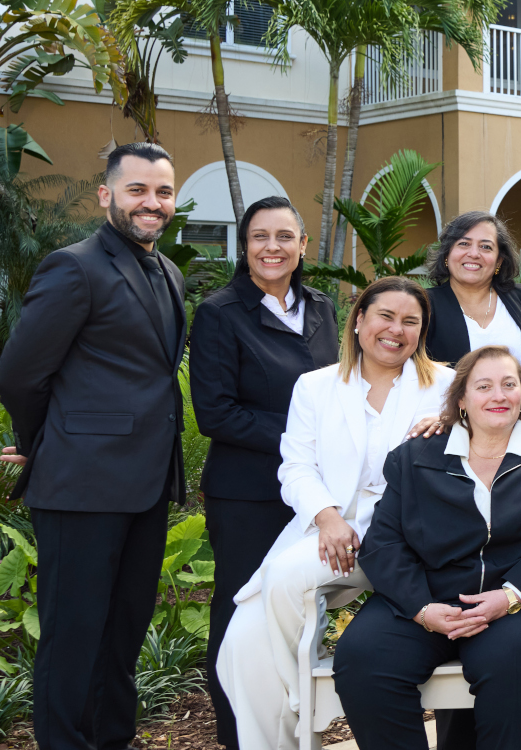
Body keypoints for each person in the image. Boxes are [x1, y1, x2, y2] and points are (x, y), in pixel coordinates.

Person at [0, 143, 188, 750]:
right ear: (107, 195)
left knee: (122, 636)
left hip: (147, 485)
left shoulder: (169, 272)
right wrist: (42, 442)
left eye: (162, 192)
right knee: (73, 638)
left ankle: (111, 741)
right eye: (137, 190)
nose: (152, 203)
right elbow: (18, 375)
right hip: (79, 486)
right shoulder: (73, 267)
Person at [215, 277, 455, 750]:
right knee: (240, 645)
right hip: (329, 531)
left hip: (403, 542)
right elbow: (296, 466)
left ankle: (300, 699)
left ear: (422, 332)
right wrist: (326, 517)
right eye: (385, 316)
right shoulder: (315, 386)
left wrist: (454, 423)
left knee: (285, 576)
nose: (396, 329)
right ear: (359, 320)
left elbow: (497, 429)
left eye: (410, 321)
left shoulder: (448, 387)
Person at [334, 345, 521, 749]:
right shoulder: (415, 456)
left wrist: (511, 596)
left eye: (509, 385)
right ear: (461, 400)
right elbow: (383, 542)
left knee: (512, 662)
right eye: (484, 386)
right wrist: (421, 608)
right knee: (364, 657)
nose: (498, 395)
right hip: (432, 594)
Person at [189, 196, 340, 749]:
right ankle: (239, 737)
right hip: (248, 494)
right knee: (242, 616)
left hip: (313, 493)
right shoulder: (219, 313)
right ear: (244, 246)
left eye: (284, 237)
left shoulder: (322, 308)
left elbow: (334, 391)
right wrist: (302, 440)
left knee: (298, 615)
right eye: (259, 237)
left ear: (303, 245)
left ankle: (292, 734)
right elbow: (216, 413)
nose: (271, 248)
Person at [423, 211, 521, 368]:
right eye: (464, 244)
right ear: (446, 254)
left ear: (499, 261)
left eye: (485, 247)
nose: (474, 254)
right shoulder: (424, 305)